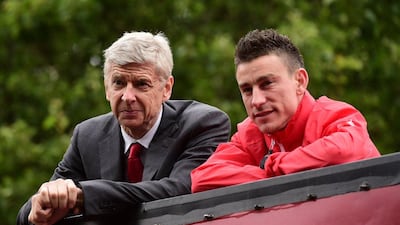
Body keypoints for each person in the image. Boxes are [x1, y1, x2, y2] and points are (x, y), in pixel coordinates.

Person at [17, 31, 231, 225]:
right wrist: (39, 206)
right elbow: (30, 213)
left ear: (166, 88)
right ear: (106, 89)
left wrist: (84, 195)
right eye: (118, 83)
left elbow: (179, 191)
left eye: (141, 84)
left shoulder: (204, 124)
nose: (128, 97)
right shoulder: (87, 135)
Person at [191, 28, 380, 193]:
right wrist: (272, 174)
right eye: (247, 90)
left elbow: (344, 152)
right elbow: (203, 178)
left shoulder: (335, 116)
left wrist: (273, 165)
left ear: (300, 81)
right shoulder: (249, 135)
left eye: (267, 84)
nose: (256, 101)